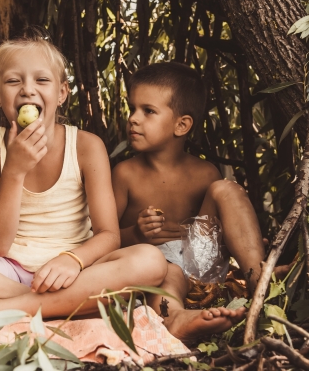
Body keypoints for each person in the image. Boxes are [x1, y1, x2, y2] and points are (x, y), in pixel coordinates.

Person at [0, 29, 167, 324]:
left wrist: (72, 260)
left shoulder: (87, 146)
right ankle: (52, 305)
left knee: (149, 260)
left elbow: (109, 235)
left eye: (41, 80)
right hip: (4, 271)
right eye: (14, 81)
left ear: (61, 93)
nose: (27, 90)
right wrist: (14, 169)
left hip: (74, 271)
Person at [112, 62, 262, 343]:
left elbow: (220, 233)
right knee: (167, 270)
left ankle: (258, 277)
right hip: (159, 268)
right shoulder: (125, 175)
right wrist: (136, 232)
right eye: (132, 108)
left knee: (226, 190)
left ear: (181, 125)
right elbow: (105, 239)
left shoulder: (204, 173)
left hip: (204, 264)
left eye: (148, 111)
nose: (133, 118)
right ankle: (175, 317)